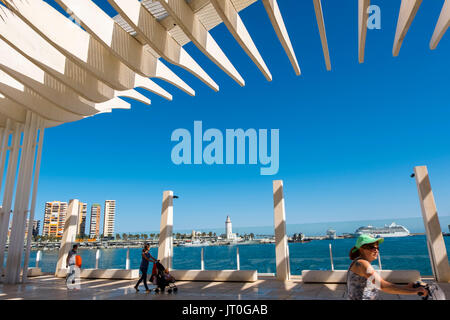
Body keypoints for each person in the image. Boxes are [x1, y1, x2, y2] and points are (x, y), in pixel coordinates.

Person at [346, 234, 428, 300]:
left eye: (377, 247)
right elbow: (382, 285)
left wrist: (406, 288)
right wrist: (415, 291)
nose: (376, 250)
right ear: (361, 249)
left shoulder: (360, 263)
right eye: (371, 247)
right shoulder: (362, 264)